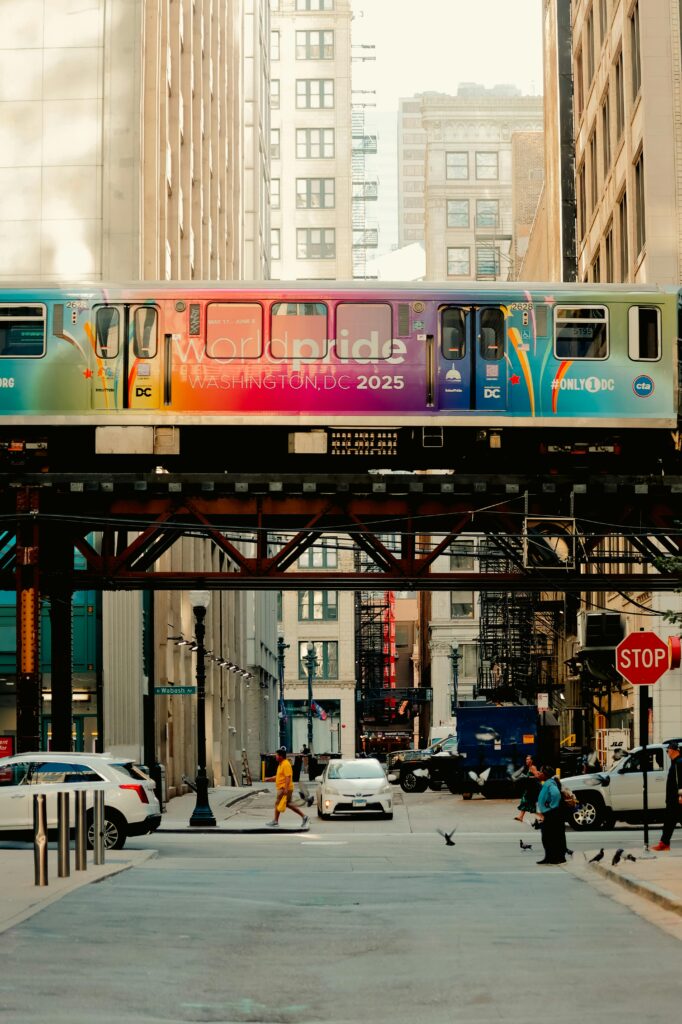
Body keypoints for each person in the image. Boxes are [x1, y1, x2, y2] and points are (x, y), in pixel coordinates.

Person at [264, 746, 309, 829]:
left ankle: (275, 821)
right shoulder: (281, 765)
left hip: (284, 788)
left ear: (281, 756)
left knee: (278, 803)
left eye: (277, 755)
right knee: (288, 804)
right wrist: (269, 779)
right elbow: (278, 776)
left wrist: (285, 788)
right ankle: (304, 817)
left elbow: (288, 777)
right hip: (283, 788)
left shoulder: (286, 764)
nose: (275, 756)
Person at [652, 740, 682, 851]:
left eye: (668, 750)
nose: (667, 752)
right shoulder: (675, 762)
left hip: (676, 800)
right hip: (672, 800)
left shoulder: (679, 762)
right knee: (669, 822)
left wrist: (680, 796)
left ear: (673, 750)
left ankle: (664, 843)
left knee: (669, 821)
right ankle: (664, 844)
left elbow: (681, 781)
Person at [535, 765, 567, 865]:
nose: (539, 774)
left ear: (545, 774)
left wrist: (552, 806)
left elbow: (556, 794)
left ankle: (554, 857)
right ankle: (551, 857)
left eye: (540, 772)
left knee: (549, 836)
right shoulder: (548, 783)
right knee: (552, 835)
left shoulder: (550, 783)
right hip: (550, 813)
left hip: (552, 813)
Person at [514, 754, 542, 823]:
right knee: (526, 801)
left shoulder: (532, 767)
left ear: (531, 761)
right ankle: (521, 817)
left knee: (527, 801)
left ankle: (542, 817)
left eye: (528, 759)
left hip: (533, 788)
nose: (526, 760)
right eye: (526, 759)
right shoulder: (530, 768)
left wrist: (528, 777)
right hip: (530, 788)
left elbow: (537, 777)